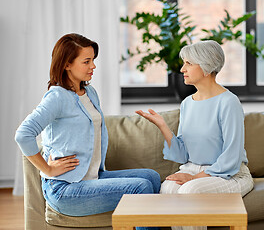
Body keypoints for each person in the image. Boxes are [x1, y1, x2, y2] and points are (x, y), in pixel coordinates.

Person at [14, 33, 161, 220]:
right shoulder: (57, 97)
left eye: (93, 60)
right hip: (65, 188)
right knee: (141, 188)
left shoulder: (90, 92)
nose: (93, 66)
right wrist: (48, 169)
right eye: (86, 61)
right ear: (67, 64)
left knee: (152, 177)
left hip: (92, 178)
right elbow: (23, 134)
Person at [136, 40, 254, 230]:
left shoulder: (228, 102)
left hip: (230, 174)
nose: (182, 69)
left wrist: (194, 178)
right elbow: (182, 155)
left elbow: (232, 158)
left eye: (189, 63)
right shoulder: (187, 104)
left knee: (190, 191)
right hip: (193, 168)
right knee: (168, 188)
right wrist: (163, 127)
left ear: (206, 67)